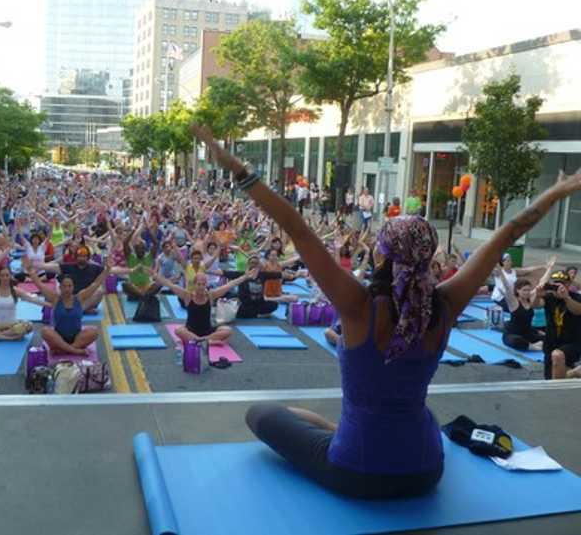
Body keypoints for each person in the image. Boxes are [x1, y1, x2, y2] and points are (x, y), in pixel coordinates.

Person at [192, 123, 581, 499]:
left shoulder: (358, 305)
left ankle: (337, 431)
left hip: (357, 472)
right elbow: (509, 232)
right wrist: (558, 191)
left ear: (383, 254)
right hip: (426, 470)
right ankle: (338, 430)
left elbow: (297, 227)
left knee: (261, 414)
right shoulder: (445, 304)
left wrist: (234, 165)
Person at [152, 269, 255, 344]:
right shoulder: (188, 296)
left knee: (228, 330)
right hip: (191, 330)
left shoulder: (211, 295)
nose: (201, 287)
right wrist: (155, 275)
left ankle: (201, 340)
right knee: (178, 330)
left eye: (203, 284)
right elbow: (170, 285)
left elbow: (230, 285)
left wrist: (245, 277)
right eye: (199, 284)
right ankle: (206, 340)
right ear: (195, 284)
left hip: (207, 330)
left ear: (206, 284)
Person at [26, 262, 110, 355]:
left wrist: (107, 270)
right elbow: (39, 285)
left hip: (77, 338)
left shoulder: (80, 297)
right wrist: (31, 272)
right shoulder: (55, 299)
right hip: (58, 338)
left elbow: (96, 283)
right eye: (64, 286)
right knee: (45, 331)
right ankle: (74, 350)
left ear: (73, 287)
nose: (67, 289)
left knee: (94, 332)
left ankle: (65, 350)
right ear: (60, 287)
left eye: (69, 286)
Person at [494, 259, 553, 351]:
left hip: (527, 333)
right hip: (512, 334)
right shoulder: (513, 302)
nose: (527, 292)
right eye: (524, 290)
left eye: (528, 290)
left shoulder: (530, 299)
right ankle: (533, 347)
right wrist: (499, 267)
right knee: (516, 341)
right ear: (518, 290)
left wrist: (550, 268)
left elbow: (542, 283)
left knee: (549, 338)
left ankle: (534, 345)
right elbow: (506, 284)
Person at [539, 270, 581, 379]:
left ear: (569, 284)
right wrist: (537, 294)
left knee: (557, 355)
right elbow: (534, 305)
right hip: (551, 343)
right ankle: (575, 372)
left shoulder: (576, 297)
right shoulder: (549, 297)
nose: (559, 286)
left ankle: (557, 394)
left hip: (572, 342)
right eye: (556, 283)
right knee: (551, 378)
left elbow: (577, 310)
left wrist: (566, 297)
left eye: (563, 283)